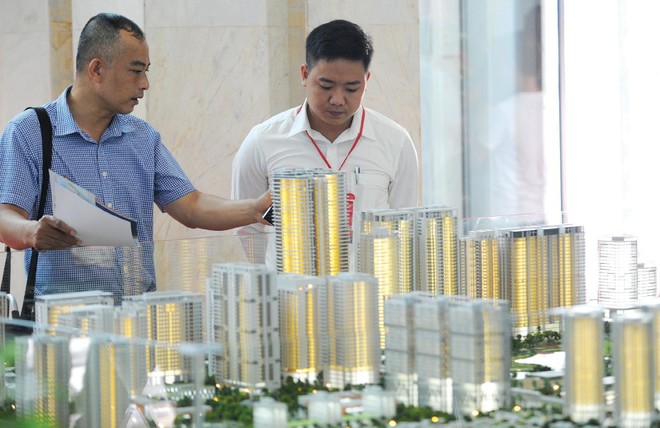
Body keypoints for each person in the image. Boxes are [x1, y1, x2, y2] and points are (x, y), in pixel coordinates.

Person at [0, 13, 271, 298]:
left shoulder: (142, 137)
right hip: (64, 317)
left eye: (146, 71)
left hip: (137, 313)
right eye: (135, 71)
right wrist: (33, 232)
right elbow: (5, 216)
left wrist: (256, 209)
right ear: (97, 70)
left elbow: (191, 206)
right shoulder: (29, 131)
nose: (145, 84)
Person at [231, 19, 419, 263]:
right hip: (290, 285)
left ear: (367, 81)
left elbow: (404, 227)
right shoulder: (263, 141)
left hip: (371, 286)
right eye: (326, 86)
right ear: (304, 74)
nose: (338, 100)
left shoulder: (396, 142)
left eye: (352, 88)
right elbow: (247, 228)